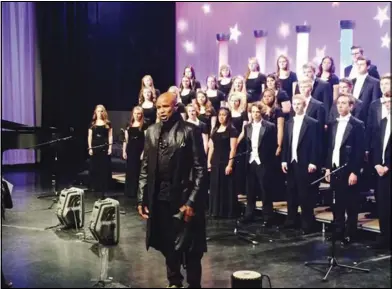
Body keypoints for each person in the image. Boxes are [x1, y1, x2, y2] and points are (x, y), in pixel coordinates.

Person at [138, 92, 207, 288]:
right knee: (168, 245)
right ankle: (174, 282)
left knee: (192, 249)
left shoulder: (190, 131)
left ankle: (194, 285)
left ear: (176, 107)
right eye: (159, 107)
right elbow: (145, 167)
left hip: (184, 199)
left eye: (165, 107)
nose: (161, 111)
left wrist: (192, 202)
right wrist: (141, 198)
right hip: (160, 198)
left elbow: (201, 170)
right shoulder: (151, 131)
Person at [325, 94, 365, 246]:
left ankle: (350, 233)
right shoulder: (333, 123)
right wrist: (328, 168)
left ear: (351, 106)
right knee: (337, 203)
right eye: (338, 103)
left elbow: (359, 150)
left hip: (348, 169)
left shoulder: (357, 124)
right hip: (335, 168)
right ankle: (338, 231)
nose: (340, 106)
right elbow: (330, 148)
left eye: (344, 103)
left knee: (351, 203)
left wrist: (354, 171)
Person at [281, 95, 319, 234]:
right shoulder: (289, 122)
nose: (296, 106)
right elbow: (286, 143)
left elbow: (316, 144)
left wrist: (313, 162)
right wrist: (284, 160)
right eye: (294, 104)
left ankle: (306, 224)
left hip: (305, 162)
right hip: (291, 162)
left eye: (299, 104)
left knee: (305, 195)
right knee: (291, 193)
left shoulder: (312, 123)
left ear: (304, 105)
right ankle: (291, 221)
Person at [239, 103, 277, 226]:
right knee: (250, 190)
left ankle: (268, 217)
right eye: (253, 112)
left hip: (263, 162)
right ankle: (249, 214)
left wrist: (269, 162)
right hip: (251, 161)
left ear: (261, 113)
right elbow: (247, 144)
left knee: (265, 190)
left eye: (257, 112)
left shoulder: (270, 126)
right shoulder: (247, 127)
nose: (255, 114)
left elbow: (272, 146)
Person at [88, 105, 113, 199]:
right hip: (95, 147)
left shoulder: (108, 123)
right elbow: (89, 136)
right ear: (95, 112)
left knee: (103, 168)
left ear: (104, 112)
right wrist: (90, 148)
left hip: (104, 147)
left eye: (101, 111)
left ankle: (103, 188)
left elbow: (110, 136)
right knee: (95, 167)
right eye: (98, 111)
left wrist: (110, 148)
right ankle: (95, 187)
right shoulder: (92, 123)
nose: (99, 113)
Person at [123, 106, 146, 198]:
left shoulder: (144, 125)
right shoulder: (129, 125)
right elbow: (126, 140)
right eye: (135, 113)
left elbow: (147, 141)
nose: (137, 115)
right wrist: (124, 151)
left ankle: (137, 192)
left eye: (139, 113)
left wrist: (143, 152)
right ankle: (129, 192)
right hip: (130, 150)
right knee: (130, 171)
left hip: (139, 150)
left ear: (141, 114)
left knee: (137, 171)